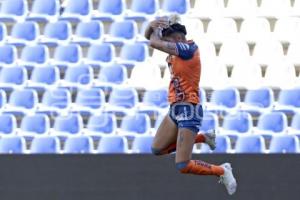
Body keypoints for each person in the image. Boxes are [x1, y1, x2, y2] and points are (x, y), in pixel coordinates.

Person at [144, 16, 237, 195]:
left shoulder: (188, 49)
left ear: (178, 39)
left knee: (183, 164)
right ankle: (204, 137)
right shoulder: (177, 50)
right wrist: (151, 27)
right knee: (158, 149)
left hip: (189, 109)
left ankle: (222, 170)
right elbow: (152, 40)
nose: (165, 44)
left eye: (168, 41)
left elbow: (154, 43)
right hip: (176, 108)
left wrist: (153, 28)